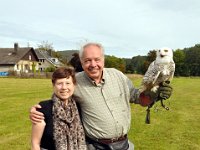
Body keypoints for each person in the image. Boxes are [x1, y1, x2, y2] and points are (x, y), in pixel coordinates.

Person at [30, 42, 173, 150]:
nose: (93, 64)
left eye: (97, 59)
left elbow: (138, 98)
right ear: (82, 62)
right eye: (87, 61)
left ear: (103, 59)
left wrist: (155, 94)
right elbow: (58, 102)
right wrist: (38, 111)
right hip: (95, 146)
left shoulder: (118, 76)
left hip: (124, 145)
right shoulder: (75, 82)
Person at [31, 67, 86, 150]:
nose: (64, 87)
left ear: (73, 85)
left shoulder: (79, 107)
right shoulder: (43, 108)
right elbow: (35, 143)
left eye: (68, 83)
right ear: (54, 85)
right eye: (59, 83)